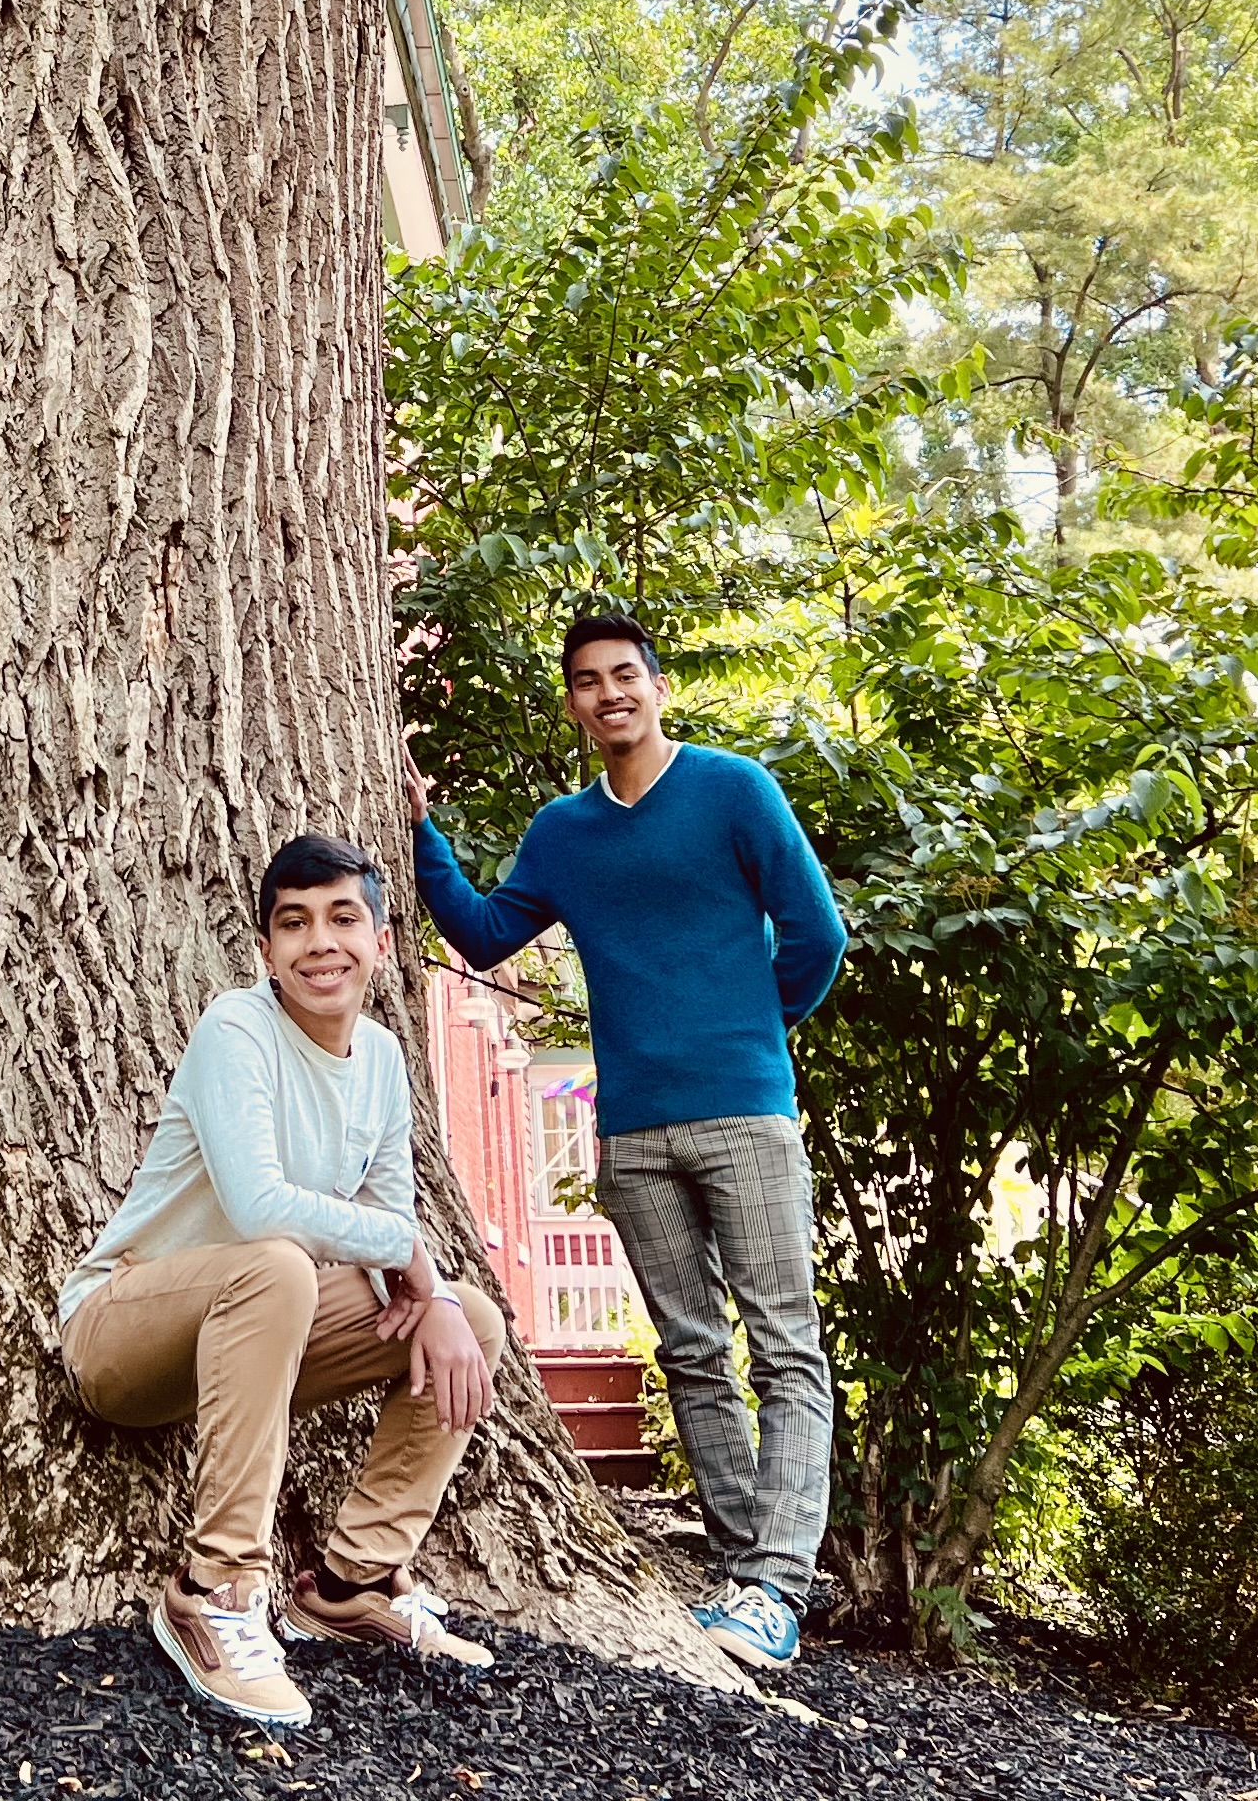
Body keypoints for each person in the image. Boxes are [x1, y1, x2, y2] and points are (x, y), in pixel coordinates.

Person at [405, 612, 845, 1671]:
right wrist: (420, 831)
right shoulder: (565, 832)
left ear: (658, 688)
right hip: (631, 1132)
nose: (609, 694)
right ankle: (742, 1577)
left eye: (625, 676)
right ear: (574, 704)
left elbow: (819, 936)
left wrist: (741, 1034)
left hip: (746, 1112)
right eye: (588, 682)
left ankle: (779, 1587)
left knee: (782, 1344)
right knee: (692, 1351)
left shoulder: (735, 790)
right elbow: (484, 931)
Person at [61, 832, 508, 1731]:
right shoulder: (237, 1026)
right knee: (278, 1261)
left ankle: (351, 1584)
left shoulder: (381, 1058)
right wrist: (409, 1252)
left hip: (251, 1349)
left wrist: (435, 1289)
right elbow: (261, 1207)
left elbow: (390, 1222)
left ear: (382, 941)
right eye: (293, 924)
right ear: (266, 949)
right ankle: (214, 1590)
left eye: (345, 918)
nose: (320, 943)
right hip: (125, 1331)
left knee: (471, 1324)